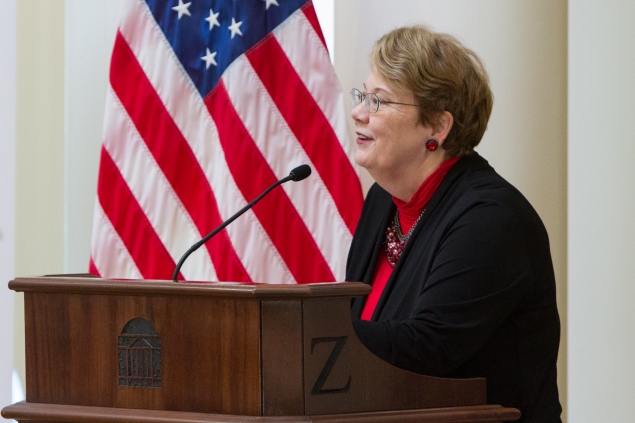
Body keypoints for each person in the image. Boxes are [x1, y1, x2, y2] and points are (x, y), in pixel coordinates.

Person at [346, 26, 561, 422]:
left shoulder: (491, 218)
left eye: (379, 101)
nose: (359, 111)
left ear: (437, 127)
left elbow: (427, 347)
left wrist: (303, 332)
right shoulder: (382, 200)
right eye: (362, 95)